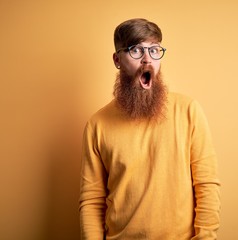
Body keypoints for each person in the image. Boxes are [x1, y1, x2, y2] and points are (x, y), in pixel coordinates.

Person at [79, 18, 221, 240]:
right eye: (136, 50)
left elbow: (206, 185)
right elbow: (92, 200)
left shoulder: (188, 111)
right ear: (117, 60)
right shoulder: (97, 125)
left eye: (154, 50)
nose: (147, 60)